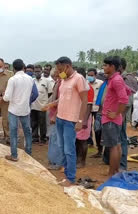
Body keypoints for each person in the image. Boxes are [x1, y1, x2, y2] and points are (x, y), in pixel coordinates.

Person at [48, 56, 88, 186]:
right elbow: (63, 99)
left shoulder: (79, 79)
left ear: (67, 66)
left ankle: (71, 178)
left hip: (70, 121)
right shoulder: (63, 80)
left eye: (60, 69)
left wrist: (80, 120)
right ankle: (66, 174)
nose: (59, 72)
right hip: (61, 118)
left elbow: (85, 101)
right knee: (62, 147)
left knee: (69, 150)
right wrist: (53, 107)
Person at [101, 56, 129, 177]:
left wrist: (116, 113)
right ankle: (115, 171)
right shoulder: (114, 79)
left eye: (105, 65)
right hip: (112, 118)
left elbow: (124, 99)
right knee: (116, 145)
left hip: (111, 118)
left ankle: (112, 172)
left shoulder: (116, 80)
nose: (103, 67)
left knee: (113, 147)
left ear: (112, 67)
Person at [3, 59, 34, 161]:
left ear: (13, 68)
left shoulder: (12, 79)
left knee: (13, 132)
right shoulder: (30, 79)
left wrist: (3, 96)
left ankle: (14, 155)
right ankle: (28, 153)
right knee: (27, 132)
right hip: (25, 109)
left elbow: (7, 97)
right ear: (23, 67)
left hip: (14, 109)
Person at [75, 68, 94, 168]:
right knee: (77, 140)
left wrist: (84, 120)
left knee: (82, 140)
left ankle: (82, 161)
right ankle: (78, 159)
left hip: (84, 117)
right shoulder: (79, 86)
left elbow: (89, 105)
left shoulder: (88, 88)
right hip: (76, 116)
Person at [31, 65, 52, 144]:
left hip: (42, 106)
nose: (37, 73)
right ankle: (35, 137)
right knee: (34, 122)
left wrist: (44, 100)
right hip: (33, 105)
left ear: (41, 71)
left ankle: (43, 139)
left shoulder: (46, 81)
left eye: (38, 71)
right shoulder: (32, 80)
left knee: (42, 123)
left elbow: (50, 92)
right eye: (35, 71)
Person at [87, 68, 104, 158]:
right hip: (88, 108)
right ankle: (89, 143)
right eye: (88, 75)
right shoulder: (86, 84)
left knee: (98, 129)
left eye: (91, 75)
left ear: (95, 75)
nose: (90, 77)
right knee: (87, 128)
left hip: (98, 109)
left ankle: (100, 149)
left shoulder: (100, 83)